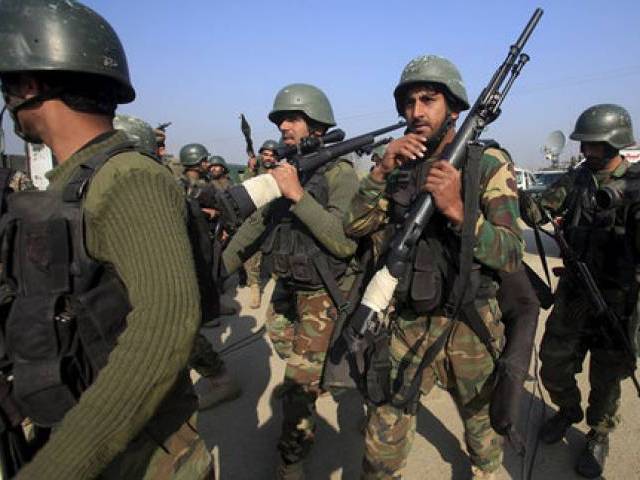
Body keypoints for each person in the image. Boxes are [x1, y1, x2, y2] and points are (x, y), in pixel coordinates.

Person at [0, 0, 213, 478]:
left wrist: (57, 467)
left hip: (141, 452)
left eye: (8, 83)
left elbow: (166, 324)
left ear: (30, 84)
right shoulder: (69, 185)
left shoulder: (127, 178)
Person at [344, 55, 523, 479]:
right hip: (408, 321)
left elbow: (512, 252)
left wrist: (459, 210)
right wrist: (382, 169)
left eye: (429, 99)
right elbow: (355, 225)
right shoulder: (399, 165)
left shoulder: (488, 163)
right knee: (382, 438)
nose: (416, 112)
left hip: (470, 324)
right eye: (409, 102)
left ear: (454, 108)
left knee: (480, 429)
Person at [222, 83, 359, 479]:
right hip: (287, 288)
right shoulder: (284, 170)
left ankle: (291, 461)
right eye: (280, 119)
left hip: (323, 291)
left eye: (292, 118)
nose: (283, 124)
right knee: (288, 351)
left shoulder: (340, 173)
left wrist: (298, 195)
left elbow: (343, 242)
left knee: (297, 387)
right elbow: (255, 226)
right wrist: (217, 268)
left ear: (316, 125)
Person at [521, 104, 639, 479]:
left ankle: (598, 432)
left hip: (618, 298)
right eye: (584, 144)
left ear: (614, 143)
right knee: (553, 362)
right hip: (575, 290)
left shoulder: (636, 183)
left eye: (593, 144)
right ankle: (568, 409)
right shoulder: (578, 178)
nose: (586, 151)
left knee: (607, 374)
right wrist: (526, 203)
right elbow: (541, 209)